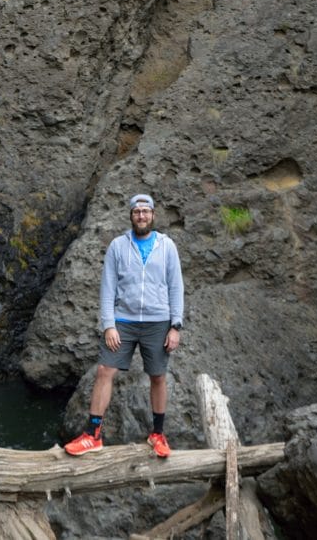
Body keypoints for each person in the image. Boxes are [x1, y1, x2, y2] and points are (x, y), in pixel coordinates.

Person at [64, 193, 184, 458]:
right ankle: (93, 435)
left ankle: (158, 434)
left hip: (158, 321)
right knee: (105, 370)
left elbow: (176, 287)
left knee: (158, 376)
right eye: (136, 212)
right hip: (123, 321)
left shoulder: (167, 246)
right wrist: (109, 325)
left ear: (153, 215)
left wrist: (175, 325)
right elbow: (108, 288)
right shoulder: (118, 246)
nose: (141, 216)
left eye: (146, 211)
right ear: (131, 216)